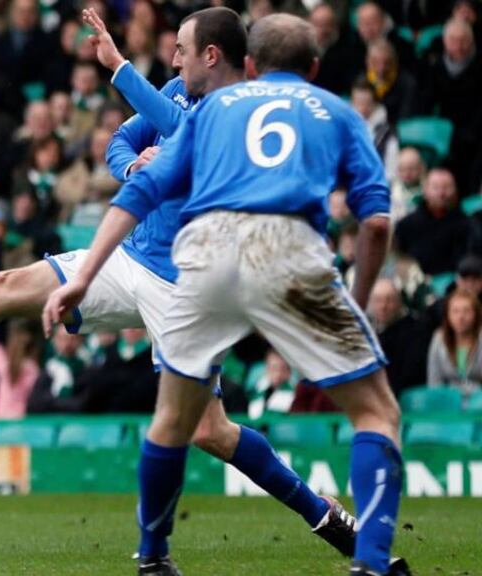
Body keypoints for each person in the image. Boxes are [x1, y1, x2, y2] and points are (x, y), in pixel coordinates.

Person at [0, 7, 356, 571]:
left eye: (181, 49)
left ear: (212, 55)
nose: (173, 59)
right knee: (2, 285)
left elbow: (183, 130)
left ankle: (321, 514)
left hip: (188, 287)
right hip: (133, 256)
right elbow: (120, 142)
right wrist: (130, 165)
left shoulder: (247, 109)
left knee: (208, 432)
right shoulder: (176, 90)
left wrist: (120, 68)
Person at [43, 14, 406, 576]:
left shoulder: (210, 110)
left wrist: (85, 277)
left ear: (253, 67)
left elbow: (143, 187)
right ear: (313, 68)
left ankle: (154, 556)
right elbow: (377, 225)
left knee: (172, 420)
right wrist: (356, 300)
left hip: (205, 255)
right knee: (376, 413)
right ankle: (372, 563)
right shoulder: (338, 113)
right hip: (290, 252)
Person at [427, 289, 482, 398]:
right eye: (455, 311)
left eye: (466, 311)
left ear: (476, 314)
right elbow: (434, 382)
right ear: (447, 315)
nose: (461, 317)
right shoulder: (438, 339)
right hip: (448, 403)